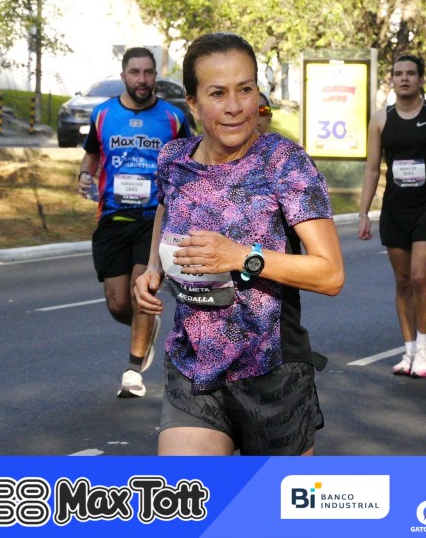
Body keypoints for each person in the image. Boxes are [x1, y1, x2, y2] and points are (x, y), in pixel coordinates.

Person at [133, 32, 344, 456]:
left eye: (245, 90)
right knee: (186, 494)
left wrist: (240, 256)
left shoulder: (282, 162)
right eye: (218, 93)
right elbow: (165, 209)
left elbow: (330, 274)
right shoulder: (174, 160)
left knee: (272, 502)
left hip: (272, 370)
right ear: (193, 103)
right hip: (194, 366)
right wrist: (153, 267)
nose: (235, 106)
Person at [76, 47, 190, 398]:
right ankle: (147, 325)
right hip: (112, 217)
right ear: (123, 75)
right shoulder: (103, 114)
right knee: (118, 303)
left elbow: (191, 160)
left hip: (154, 220)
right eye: (135, 72)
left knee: (142, 292)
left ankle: (132, 370)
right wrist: (84, 174)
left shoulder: (173, 117)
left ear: (156, 75)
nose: (142, 79)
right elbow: (92, 154)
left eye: (148, 72)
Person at [358, 54, 426, 378]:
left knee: (419, 276)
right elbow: (372, 169)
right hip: (395, 207)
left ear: (421, 79)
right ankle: (408, 350)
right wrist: (364, 212)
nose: (404, 78)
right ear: (392, 79)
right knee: (402, 281)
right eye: (399, 73)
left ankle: (424, 348)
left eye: (411, 73)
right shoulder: (381, 119)